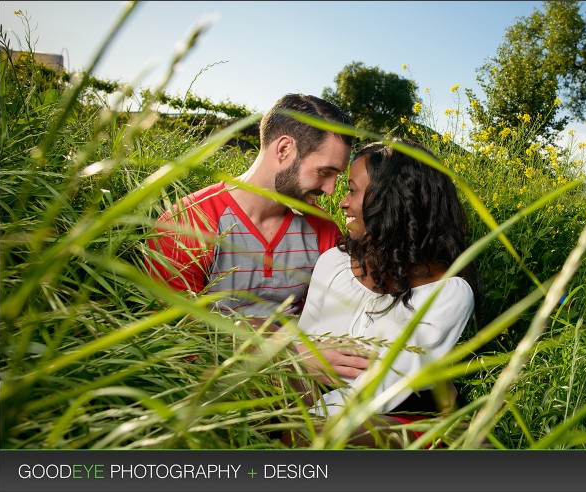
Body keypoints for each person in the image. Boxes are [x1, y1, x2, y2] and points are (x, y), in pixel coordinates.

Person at [144, 93, 372, 379]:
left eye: (336, 177)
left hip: (310, 384)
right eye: (324, 172)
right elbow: (171, 338)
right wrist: (286, 354)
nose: (329, 190)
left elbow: (336, 320)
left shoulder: (324, 231)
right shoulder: (188, 221)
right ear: (284, 149)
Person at [283, 138, 479, 447]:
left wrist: (292, 423)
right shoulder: (333, 263)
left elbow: (377, 394)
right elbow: (302, 350)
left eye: (352, 189)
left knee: (316, 432)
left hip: (394, 416)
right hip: (312, 404)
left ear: (393, 200)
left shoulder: (448, 292)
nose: (342, 202)